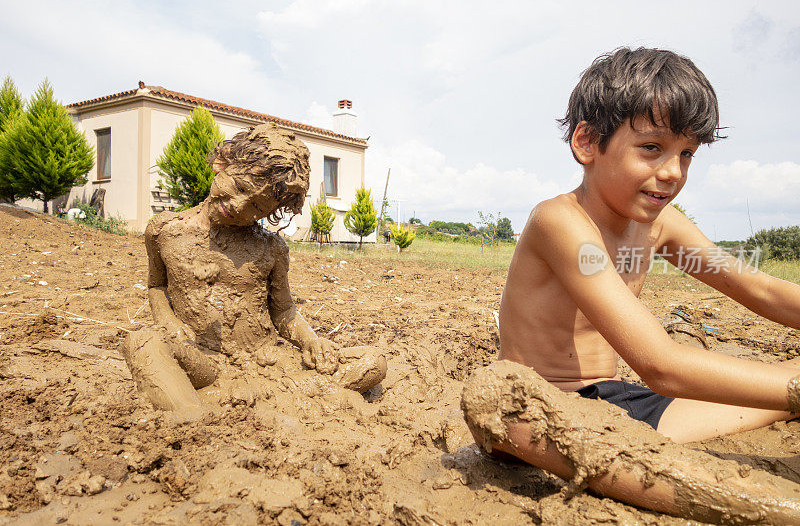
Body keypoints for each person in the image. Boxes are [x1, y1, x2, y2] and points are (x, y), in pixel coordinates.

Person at [461, 47, 800, 522]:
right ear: (587, 142)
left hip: (620, 404)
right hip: (540, 411)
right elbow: (661, 365)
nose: (672, 172)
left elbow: (759, 288)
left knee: (781, 390)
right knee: (495, 399)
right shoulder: (560, 222)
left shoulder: (661, 226)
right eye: (652, 148)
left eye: (686, 154)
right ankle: (770, 508)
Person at [122, 123, 386, 420]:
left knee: (375, 361)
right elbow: (157, 287)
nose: (237, 206)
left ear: (270, 212)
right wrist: (168, 321)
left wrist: (311, 341)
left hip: (268, 361)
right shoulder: (164, 231)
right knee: (142, 342)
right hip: (202, 362)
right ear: (221, 163)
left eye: (257, 207)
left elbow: (284, 312)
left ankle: (298, 392)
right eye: (241, 187)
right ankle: (193, 421)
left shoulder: (270, 248)